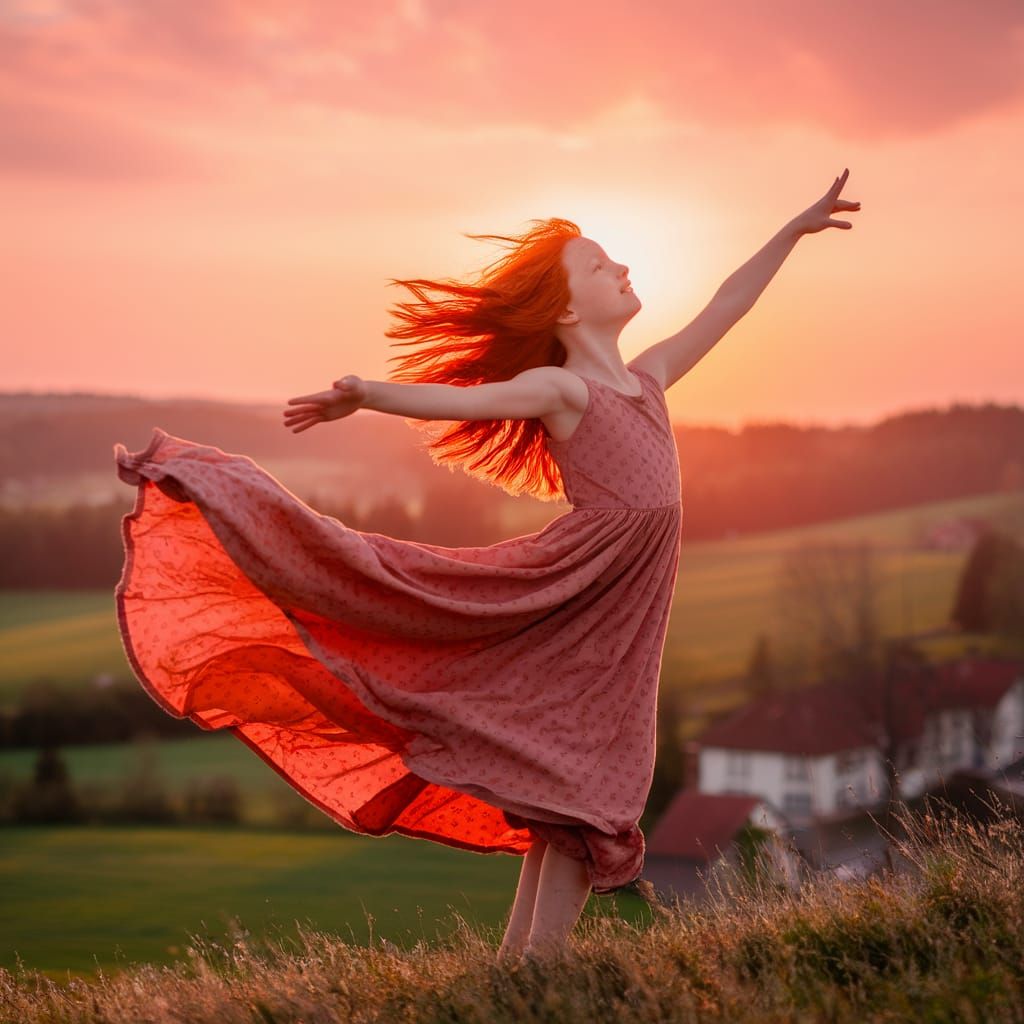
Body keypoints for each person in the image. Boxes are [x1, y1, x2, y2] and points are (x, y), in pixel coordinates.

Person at [113, 171, 859, 964]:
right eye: (602, 265)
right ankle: (537, 978)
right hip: (567, 591)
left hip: (617, 619)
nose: (623, 269)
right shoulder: (562, 387)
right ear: (569, 309)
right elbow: (466, 403)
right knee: (590, 782)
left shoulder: (648, 379)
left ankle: (518, 972)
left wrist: (791, 231)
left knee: (574, 787)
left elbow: (726, 304)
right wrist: (365, 393)